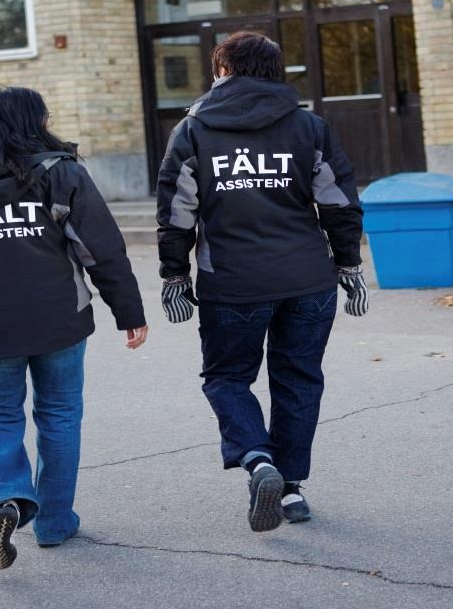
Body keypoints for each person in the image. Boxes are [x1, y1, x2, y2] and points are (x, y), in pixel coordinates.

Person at [0, 86, 147, 569]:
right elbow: (101, 248)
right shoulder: (61, 172)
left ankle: (2, 500)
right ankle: (55, 523)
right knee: (60, 415)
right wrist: (129, 312)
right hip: (58, 319)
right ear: (36, 121)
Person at [156, 31, 367, 533]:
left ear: (223, 69)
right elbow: (338, 203)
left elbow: (176, 212)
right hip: (307, 280)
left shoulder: (194, 131)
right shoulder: (308, 127)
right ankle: (290, 486)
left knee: (228, 378)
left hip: (231, 284)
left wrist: (174, 274)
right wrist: (350, 266)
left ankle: (257, 459)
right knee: (298, 379)